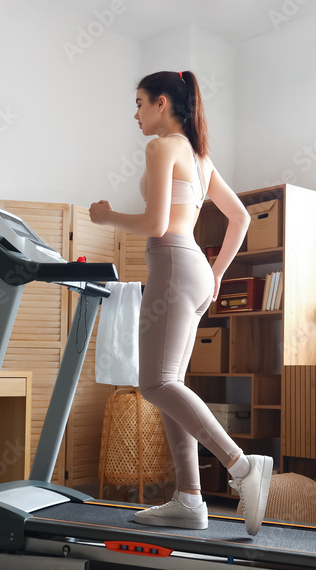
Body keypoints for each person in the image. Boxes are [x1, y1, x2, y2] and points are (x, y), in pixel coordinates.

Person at [89, 70, 272, 536]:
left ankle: (241, 466)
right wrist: (216, 273)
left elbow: (155, 225)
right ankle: (190, 498)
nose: (135, 114)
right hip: (192, 272)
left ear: (163, 103)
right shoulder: (200, 157)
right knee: (170, 387)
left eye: (139, 103)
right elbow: (241, 218)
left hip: (171, 265)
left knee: (155, 385)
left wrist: (107, 216)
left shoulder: (161, 147)